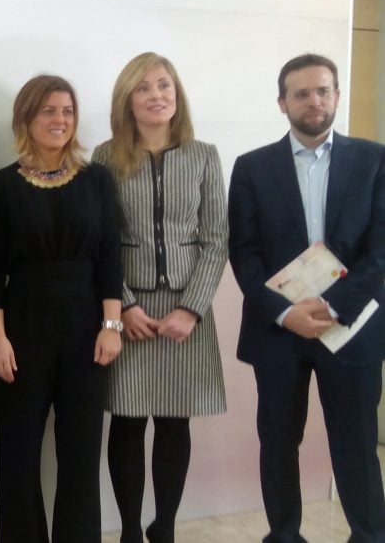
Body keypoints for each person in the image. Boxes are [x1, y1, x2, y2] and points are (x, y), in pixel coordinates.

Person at [228, 53, 385, 543]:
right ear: (282, 103)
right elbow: (244, 253)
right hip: (280, 332)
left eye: (323, 90)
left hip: (351, 328)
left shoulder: (374, 159)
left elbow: (381, 250)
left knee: (356, 445)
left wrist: (336, 306)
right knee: (278, 442)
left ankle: (369, 535)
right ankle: (284, 536)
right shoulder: (252, 167)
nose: (314, 101)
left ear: (336, 95)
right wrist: (286, 313)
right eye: (301, 93)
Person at [91, 53, 228, 543]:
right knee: (127, 424)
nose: (157, 96)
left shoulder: (204, 155)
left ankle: (164, 526)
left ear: (177, 94)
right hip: (128, 313)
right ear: (127, 100)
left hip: (187, 313)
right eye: (144, 88)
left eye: (164, 86)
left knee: (174, 422)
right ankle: (129, 529)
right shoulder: (106, 158)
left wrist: (191, 309)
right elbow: (101, 242)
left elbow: (216, 237)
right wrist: (124, 306)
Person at [0, 74, 123, 543]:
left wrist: (111, 325)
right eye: (48, 111)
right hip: (21, 333)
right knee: (18, 457)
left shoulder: (98, 179)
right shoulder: (1, 186)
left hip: (86, 333)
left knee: (80, 457)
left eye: (67, 111)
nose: (59, 120)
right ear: (26, 117)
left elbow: (109, 258)